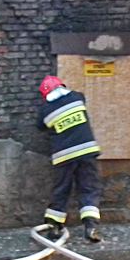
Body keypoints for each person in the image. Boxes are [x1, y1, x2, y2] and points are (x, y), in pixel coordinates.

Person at [37, 75, 103, 242]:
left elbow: (40, 126)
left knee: (61, 190)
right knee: (88, 188)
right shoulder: (77, 97)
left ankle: (55, 228)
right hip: (87, 151)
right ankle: (91, 226)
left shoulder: (45, 110)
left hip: (64, 156)